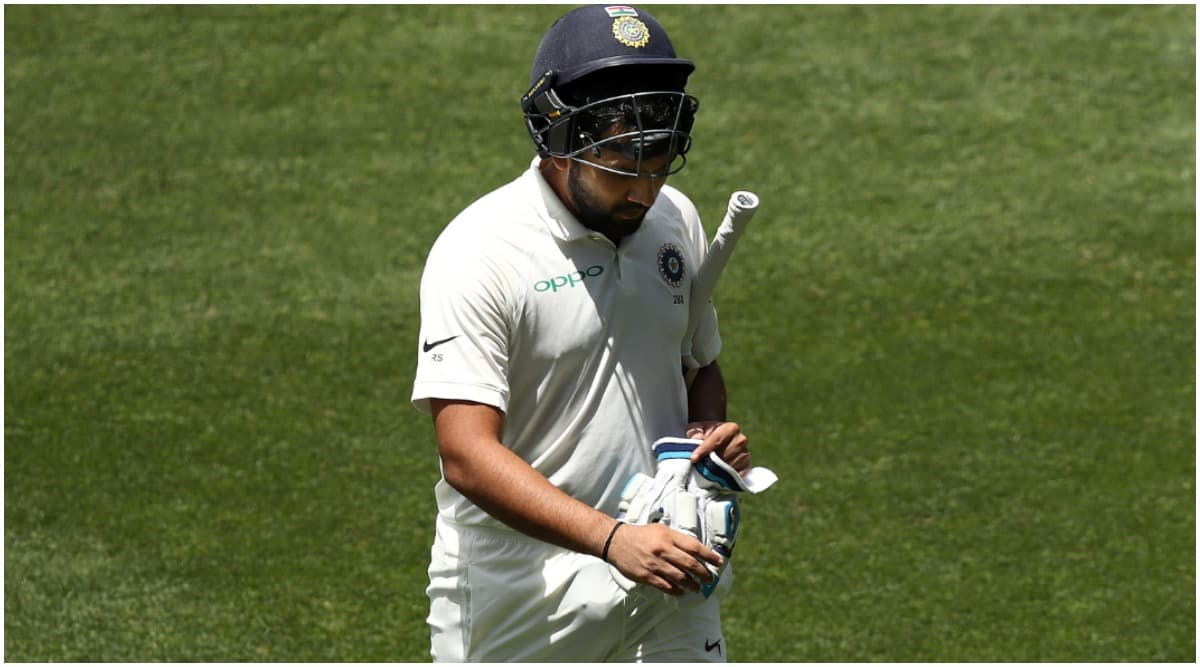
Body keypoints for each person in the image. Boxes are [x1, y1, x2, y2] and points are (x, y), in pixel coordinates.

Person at [411, 5, 753, 661]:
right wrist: (610, 538)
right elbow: (465, 453)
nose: (646, 190)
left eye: (658, 159)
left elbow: (697, 363)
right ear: (559, 138)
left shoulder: (673, 218)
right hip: (522, 594)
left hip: (667, 568)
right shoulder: (481, 251)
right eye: (622, 164)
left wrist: (704, 441)